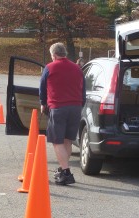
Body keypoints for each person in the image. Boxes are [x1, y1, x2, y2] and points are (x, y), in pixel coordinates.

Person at [39, 42, 86, 185]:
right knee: (67, 140)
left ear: (53, 55)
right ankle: (62, 168)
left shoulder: (49, 67)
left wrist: (43, 103)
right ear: (64, 53)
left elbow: (42, 88)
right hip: (75, 107)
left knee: (57, 141)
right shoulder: (77, 68)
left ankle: (66, 173)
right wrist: (79, 105)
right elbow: (83, 89)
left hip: (58, 107)